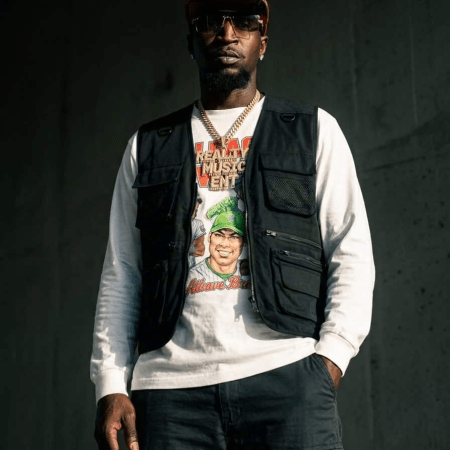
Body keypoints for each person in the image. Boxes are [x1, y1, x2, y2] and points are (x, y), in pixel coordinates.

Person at [91, 0, 375, 449]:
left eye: (244, 21)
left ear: (263, 41)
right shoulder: (147, 147)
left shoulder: (313, 130)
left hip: (287, 377)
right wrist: (110, 382)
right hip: (169, 397)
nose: (227, 34)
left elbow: (350, 250)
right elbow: (123, 271)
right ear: (191, 41)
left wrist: (330, 360)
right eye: (210, 21)